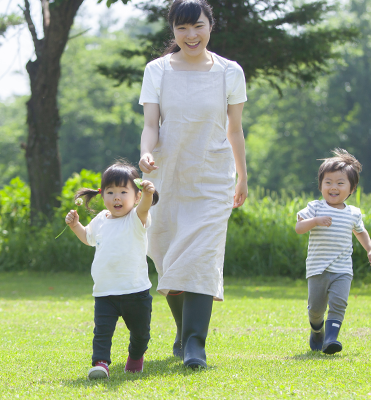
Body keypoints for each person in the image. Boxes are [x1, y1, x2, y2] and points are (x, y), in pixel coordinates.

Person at [137, 0, 248, 369]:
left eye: (197, 26)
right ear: (173, 31)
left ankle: (195, 344)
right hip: (165, 173)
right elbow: (151, 123)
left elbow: (234, 129)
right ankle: (184, 332)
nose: (191, 35)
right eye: (182, 28)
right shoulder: (157, 71)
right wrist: (145, 153)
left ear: (210, 26)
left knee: (201, 254)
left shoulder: (230, 72)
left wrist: (243, 176)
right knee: (167, 254)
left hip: (213, 176)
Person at [63, 161, 159, 379]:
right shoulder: (100, 220)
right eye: (111, 192)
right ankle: (100, 363)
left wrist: (148, 194)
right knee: (102, 332)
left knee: (141, 334)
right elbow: (88, 238)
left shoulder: (136, 218)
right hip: (105, 292)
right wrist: (75, 225)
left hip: (135, 291)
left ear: (135, 197)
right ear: (102, 194)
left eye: (124, 192)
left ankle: (135, 356)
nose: (117, 197)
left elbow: (145, 206)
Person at [294, 149, 371, 354]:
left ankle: (331, 340)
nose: (333, 187)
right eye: (328, 182)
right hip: (317, 269)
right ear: (321, 185)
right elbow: (299, 228)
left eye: (340, 183)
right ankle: (317, 330)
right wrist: (314, 221)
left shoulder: (353, 213)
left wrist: (370, 249)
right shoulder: (314, 208)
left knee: (339, 304)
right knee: (315, 310)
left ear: (351, 188)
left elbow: (360, 232)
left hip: (342, 269)